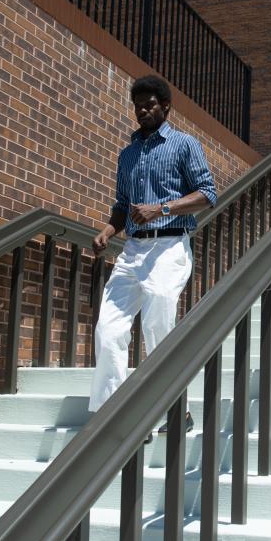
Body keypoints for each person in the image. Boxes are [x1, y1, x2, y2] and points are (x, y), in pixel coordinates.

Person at [88, 75, 217, 440]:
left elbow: (208, 194)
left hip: (169, 245)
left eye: (150, 104)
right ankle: (111, 413)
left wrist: (162, 208)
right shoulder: (126, 154)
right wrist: (108, 231)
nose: (143, 110)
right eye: (138, 105)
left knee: (157, 322)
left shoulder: (184, 145)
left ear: (165, 106)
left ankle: (171, 411)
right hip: (132, 250)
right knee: (109, 328)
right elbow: (121, 205)